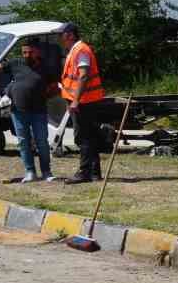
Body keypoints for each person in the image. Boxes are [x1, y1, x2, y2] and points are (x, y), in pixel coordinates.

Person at [59, 23, 107, 184]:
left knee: (83, 137)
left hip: (84, 101)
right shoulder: (76, 50)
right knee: (89, 136)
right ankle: (94, 173)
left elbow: (84, 75)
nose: (60, 38)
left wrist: (75, 101)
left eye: (62, 34)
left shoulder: (81, 50)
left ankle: (84, 172)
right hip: (84, 100)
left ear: (70, 35)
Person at [7, 40, 58, 182]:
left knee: (42, 141)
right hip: (18, 111)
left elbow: (54, 87)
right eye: (24, 52)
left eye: (30, 52)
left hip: (39, 111)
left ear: (38, 52)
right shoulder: (15, 63)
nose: (27, 55)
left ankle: (46, 172)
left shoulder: (47, 67)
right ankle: (30, 172)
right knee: (23, 142)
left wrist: (44, 96)